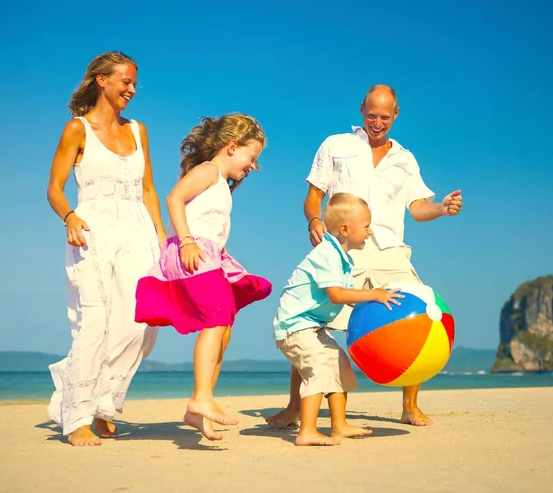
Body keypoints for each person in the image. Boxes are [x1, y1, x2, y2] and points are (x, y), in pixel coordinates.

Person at [266, 84, 463, 429]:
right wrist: (313, 220)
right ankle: (294, 407)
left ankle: (409, 406)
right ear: (361, 110)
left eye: (385, 117)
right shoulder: (335, 145)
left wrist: (441, 208)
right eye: (372, 115)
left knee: (417, 315)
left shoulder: (405, 159)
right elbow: (313, 197)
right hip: (344, 249)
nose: (377, 122)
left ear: (396, 115)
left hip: (390, 249)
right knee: (313, 324)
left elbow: (417, 208)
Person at [46, 51, 166, 447]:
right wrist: (70, 218)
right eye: (125, 82)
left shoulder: (138, 131)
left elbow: (149, 189)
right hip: (93, 228)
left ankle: (102, 401)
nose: (131, 90)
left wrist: (163, 239)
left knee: (141, 322)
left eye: (134, 84)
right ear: (102, 81)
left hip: (138, 228)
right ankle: (78, 414)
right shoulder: (77, 130)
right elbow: (54, 189)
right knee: (95, 320)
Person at [135, 113, 272, 441]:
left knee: (223, 328)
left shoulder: (222, 184)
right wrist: (186, 240)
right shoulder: (208, 171)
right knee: (216, 318)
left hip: (209, 256)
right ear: (232, 146)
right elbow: (174, 198)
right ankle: (201, 397)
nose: (253, 166)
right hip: (190, 252)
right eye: (251, 158)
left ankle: (198, 408)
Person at [273, 193, 404, 446]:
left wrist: (379, 301)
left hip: (313, 326)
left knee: (339, 363)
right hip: (295, 326)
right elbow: (336, 295)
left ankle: (339, 425)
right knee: (318, 368)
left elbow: (350, 297)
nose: (370, 231)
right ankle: (307, 431)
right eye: (366, 226)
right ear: (345, 229)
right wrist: (374, 294)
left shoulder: (342, 258)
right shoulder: (327, 254)